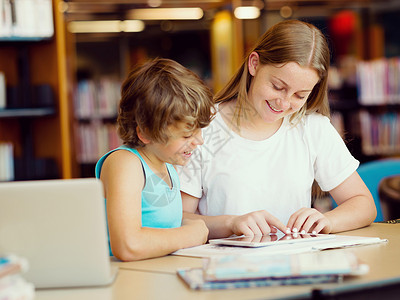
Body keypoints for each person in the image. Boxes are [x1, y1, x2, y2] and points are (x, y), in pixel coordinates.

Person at [177, 19, 377, 239]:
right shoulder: (203, 129)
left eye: (300, 95)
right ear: (254, 64)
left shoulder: (312, 128)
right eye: (277, 87)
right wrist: (231, 223)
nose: (283, 103)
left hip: (296, 265)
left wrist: (327, 220)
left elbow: (364, 204)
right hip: (226, 266)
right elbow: (179, 218)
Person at [95, 58, 215, 261]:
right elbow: (128, 245)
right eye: (187, 135)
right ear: (146, 133)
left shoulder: (167, 163)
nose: (199, 141)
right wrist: (190, 234)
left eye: (199, 132)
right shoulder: (126, 163)